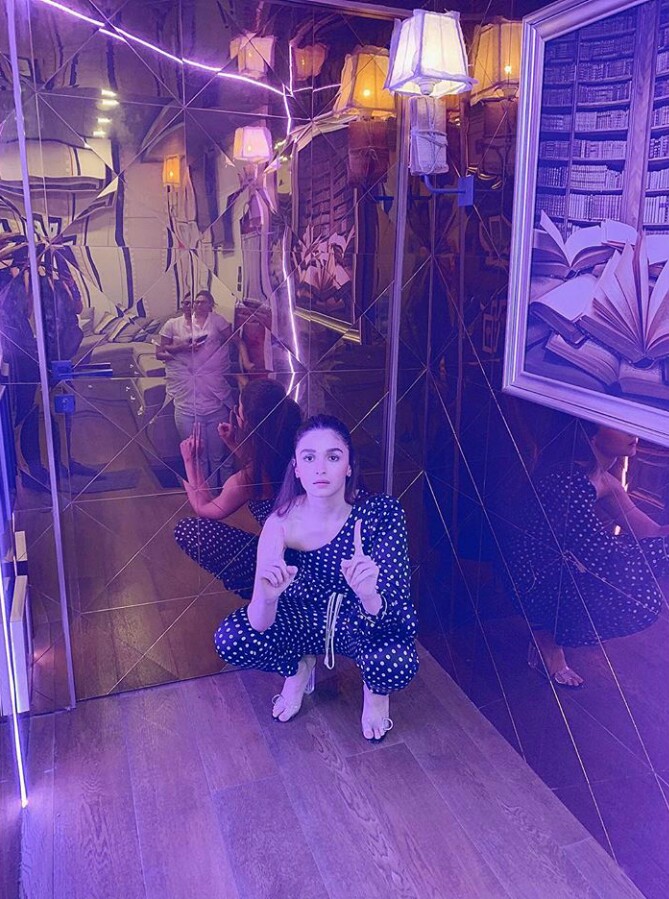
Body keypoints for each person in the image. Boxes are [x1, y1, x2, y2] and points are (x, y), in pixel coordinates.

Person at [213, 415, 419, 741]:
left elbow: (396, 616)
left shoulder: (380, 513)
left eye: (333, 457)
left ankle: (376, 693)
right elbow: (259, 623)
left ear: (349, 466)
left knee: (397, 662)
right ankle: (298, 668)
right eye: (309, 458)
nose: (320, 469)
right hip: (304, 618)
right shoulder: (280, 521)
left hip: (358, 621)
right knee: (232, 638)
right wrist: (268, 598)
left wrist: (369, 594)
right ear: (296, 468)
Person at [506, 419, 669, 688]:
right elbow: (599, 553)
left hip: (566, 563)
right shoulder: (568, 478)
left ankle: (552, 633)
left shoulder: (604, 480)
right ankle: (547, 638)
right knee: (638, 593)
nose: (633, 432)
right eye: (619, 425)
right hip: (530, 573)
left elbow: (650, 531)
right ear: (591, 434)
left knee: (642, 580)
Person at [174, 379, 301, 598]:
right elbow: (267, 468)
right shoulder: (299, 450)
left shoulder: (245, 481)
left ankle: (267, 592)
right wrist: (234, 444)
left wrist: (190, 461)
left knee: (188, 530)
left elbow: (205, 508)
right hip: (314, 556)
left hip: (283, 564)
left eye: (239, 411)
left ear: (246, 423)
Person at [157, 290, 234, 486]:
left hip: (213, 399)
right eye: (188, 302)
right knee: (196, 457)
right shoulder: (172, 324)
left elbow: (233, 341)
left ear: (209, 305)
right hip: (186, 403)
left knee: (217, 455)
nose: (192, 306)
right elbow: (159, 353)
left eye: (198, 302)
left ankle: (220, 494)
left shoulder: (216, 322)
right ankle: (202, 494)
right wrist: (181, 348)